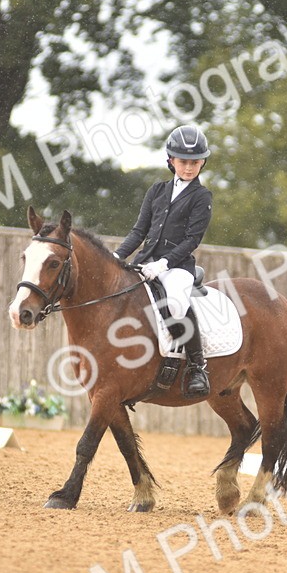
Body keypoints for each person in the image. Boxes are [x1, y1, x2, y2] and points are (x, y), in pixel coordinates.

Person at [114, 124, 213, 398]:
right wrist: (117, 256)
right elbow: (139, 231)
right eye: (183, 162)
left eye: (195, 162)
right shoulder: (157, 191)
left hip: (177, 267)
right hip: (145, 261)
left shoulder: (201, 197)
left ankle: (197, 366)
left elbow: (192, 240)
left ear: (202, 162)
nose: (189, 168)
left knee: (178, 304)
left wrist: (164, 264)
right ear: (171, 160)